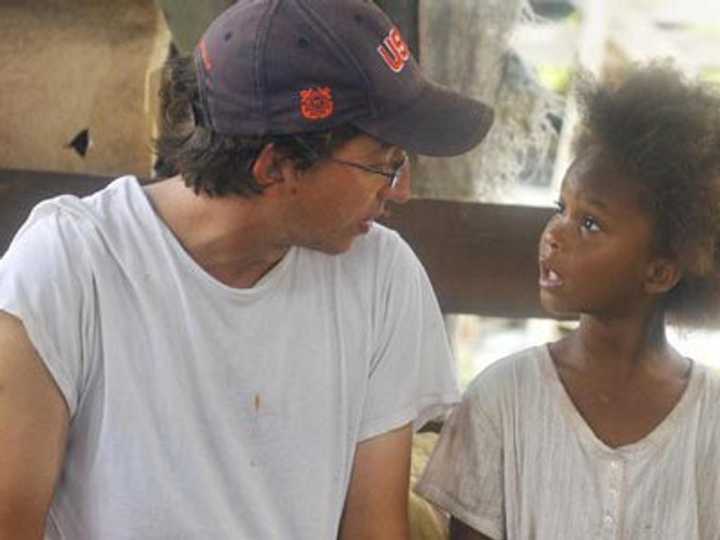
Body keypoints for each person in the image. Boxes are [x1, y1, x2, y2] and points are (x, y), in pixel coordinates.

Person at [0, 1, 495, 539]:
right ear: (275, 166)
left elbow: (375, 529)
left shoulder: (382, 277)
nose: (401, 189)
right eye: (384, 161)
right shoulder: (70, 266)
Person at [415, 63, 720, 540]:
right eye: (562, 208)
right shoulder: (502, 399)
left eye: (590, 223)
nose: (555, 234)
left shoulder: (711, 420)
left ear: (660, 271)